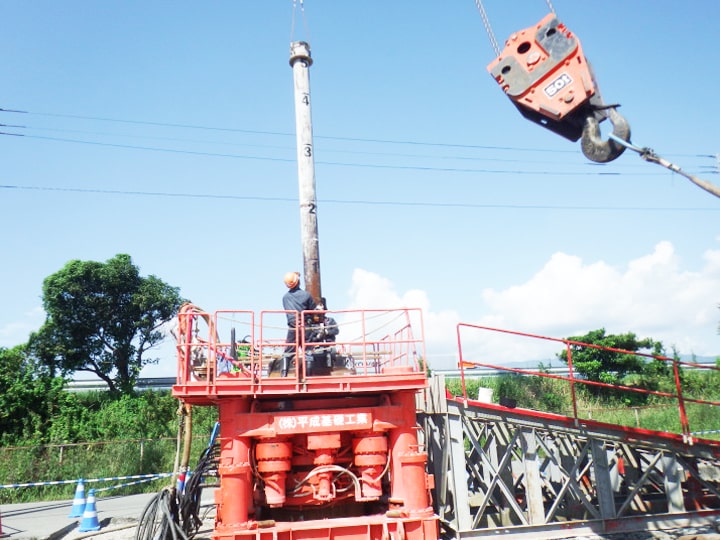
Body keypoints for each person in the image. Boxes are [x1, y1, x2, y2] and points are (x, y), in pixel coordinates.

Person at [279, 271, 315, 377]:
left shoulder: (285, 298)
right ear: (298, 281)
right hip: (306, 327)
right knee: (308, 352)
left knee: (288, 352)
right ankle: (308, 377)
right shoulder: (306, 295)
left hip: (293, 328)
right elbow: (313, 311)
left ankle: (283, 375)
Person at [304, 305, 339, 375]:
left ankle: (331, 369)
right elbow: (309, 338)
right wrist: (318, 336)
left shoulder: (330, 321)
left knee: (331, 353)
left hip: (329, 345)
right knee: (310, 355)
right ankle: (311, 373)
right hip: (317, 347)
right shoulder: (311, 325)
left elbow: (336, 331)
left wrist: (326, 332)